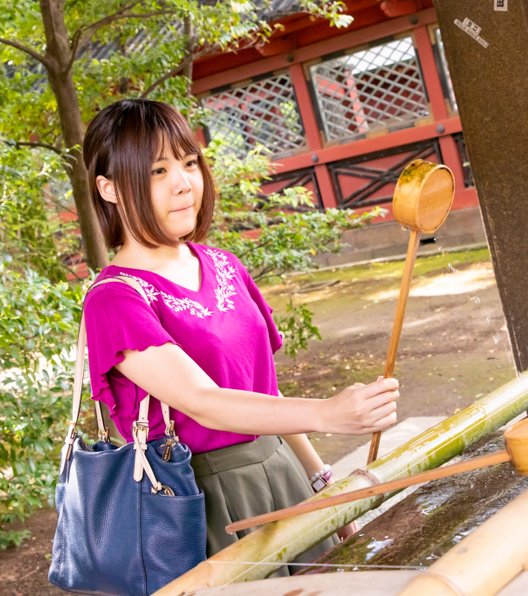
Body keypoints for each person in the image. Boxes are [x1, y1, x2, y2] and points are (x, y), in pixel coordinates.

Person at [82, 98, 399, 568]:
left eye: (189, 163)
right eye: (157, 172)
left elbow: (266, 393)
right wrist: (328, 413)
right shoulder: (114, 299)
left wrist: (320, 481)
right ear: (108, 189)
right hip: (204, 500)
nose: (185, 184)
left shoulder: (223, 265)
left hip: (285, 472)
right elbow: (202, 402)